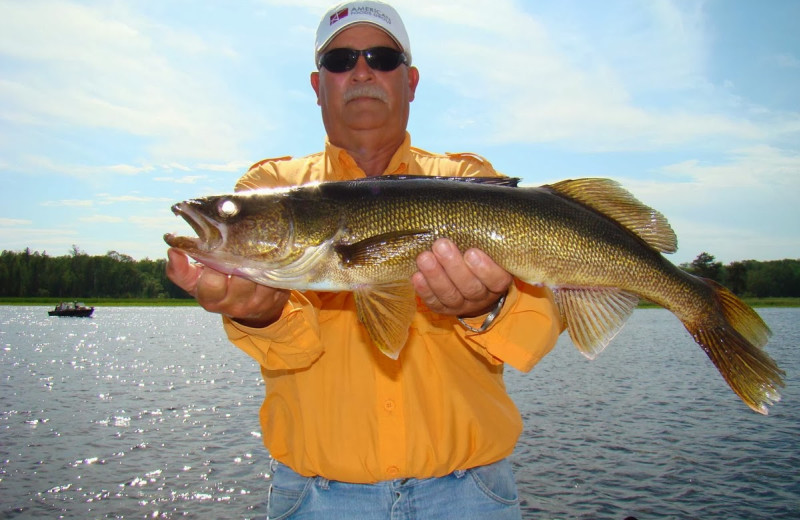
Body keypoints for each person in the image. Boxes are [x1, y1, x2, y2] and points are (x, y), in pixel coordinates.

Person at [166, 1, 561, 518]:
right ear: (317, 86)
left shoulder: (473, 182)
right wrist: (259, 313)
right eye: (339, 60)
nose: (360, 71)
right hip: (316, 499)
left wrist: (485, 306)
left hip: (471, 497)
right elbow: (288, 352)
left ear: (411, 80)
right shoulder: (272, 188)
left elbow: (535, 335)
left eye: (381, 56)